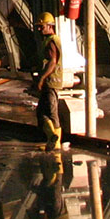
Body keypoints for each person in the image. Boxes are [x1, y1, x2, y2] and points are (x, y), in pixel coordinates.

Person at [36, 11, 63, 151]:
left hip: (52, 81)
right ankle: (52, 138)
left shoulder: (52, 40)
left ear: (50, 26)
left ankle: (55, 141)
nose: (39, 29)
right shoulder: (48, 40)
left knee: (52, 112)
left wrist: (42, 77)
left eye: (42, 26)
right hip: (49, 81)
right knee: (42, 112)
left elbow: (52, 61)